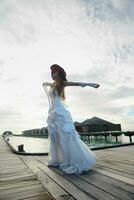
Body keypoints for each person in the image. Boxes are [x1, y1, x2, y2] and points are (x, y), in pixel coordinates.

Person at [42, 64, 99, 175]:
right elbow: (48, 84)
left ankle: (72, 160)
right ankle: (59, 159)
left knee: (66, 136)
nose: (53, 74)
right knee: (56, 137)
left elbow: (77, 84)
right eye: (52, 72)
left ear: (59, 73)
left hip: (60, 112)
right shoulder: (53, 84)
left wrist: (90, 84)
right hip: (52, 113)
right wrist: (45, 83)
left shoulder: (62, 83)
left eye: (55, 72)